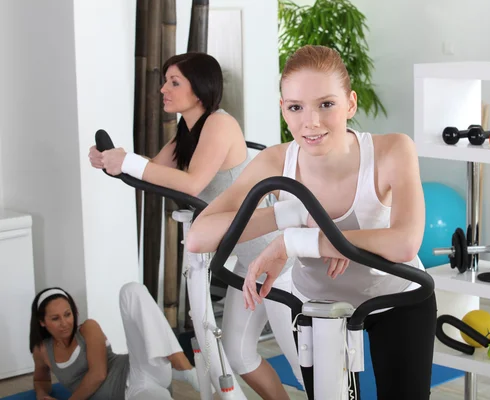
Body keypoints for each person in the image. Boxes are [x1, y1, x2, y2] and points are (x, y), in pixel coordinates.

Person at [185, 44, 438, 399]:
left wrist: (300, 241)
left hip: (397, 297)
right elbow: (200, 236)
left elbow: (405, 242)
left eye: (326, 104)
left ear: (350, 103)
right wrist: (290, 214)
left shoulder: (392, 150)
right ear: (283, 110)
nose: (311, 121)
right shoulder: (276, 162)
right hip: (318, 305)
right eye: (296, 107)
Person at [88, 52, 303, 399]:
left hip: (280, 260)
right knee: (239, 355)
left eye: (174, 82)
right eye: (165, 81)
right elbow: (153, 168)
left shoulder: (219, 124)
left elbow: (191, 182)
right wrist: (113, 161)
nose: (163, 89)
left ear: (200, 89)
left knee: (302, 361)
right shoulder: (187, 132)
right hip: (249, 264)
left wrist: (127, 162)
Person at [29, 283, 201, 400]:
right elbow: (41, 380)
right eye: (55, 318)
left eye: (68, 314)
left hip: (140, 369)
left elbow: (98, 375)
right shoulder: (42, 350)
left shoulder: (88, 329)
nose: (65, 323)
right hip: (135, 393)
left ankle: (184, 366)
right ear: (42, 322)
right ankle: (177, 373)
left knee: (131, 290)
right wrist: (42, 396)